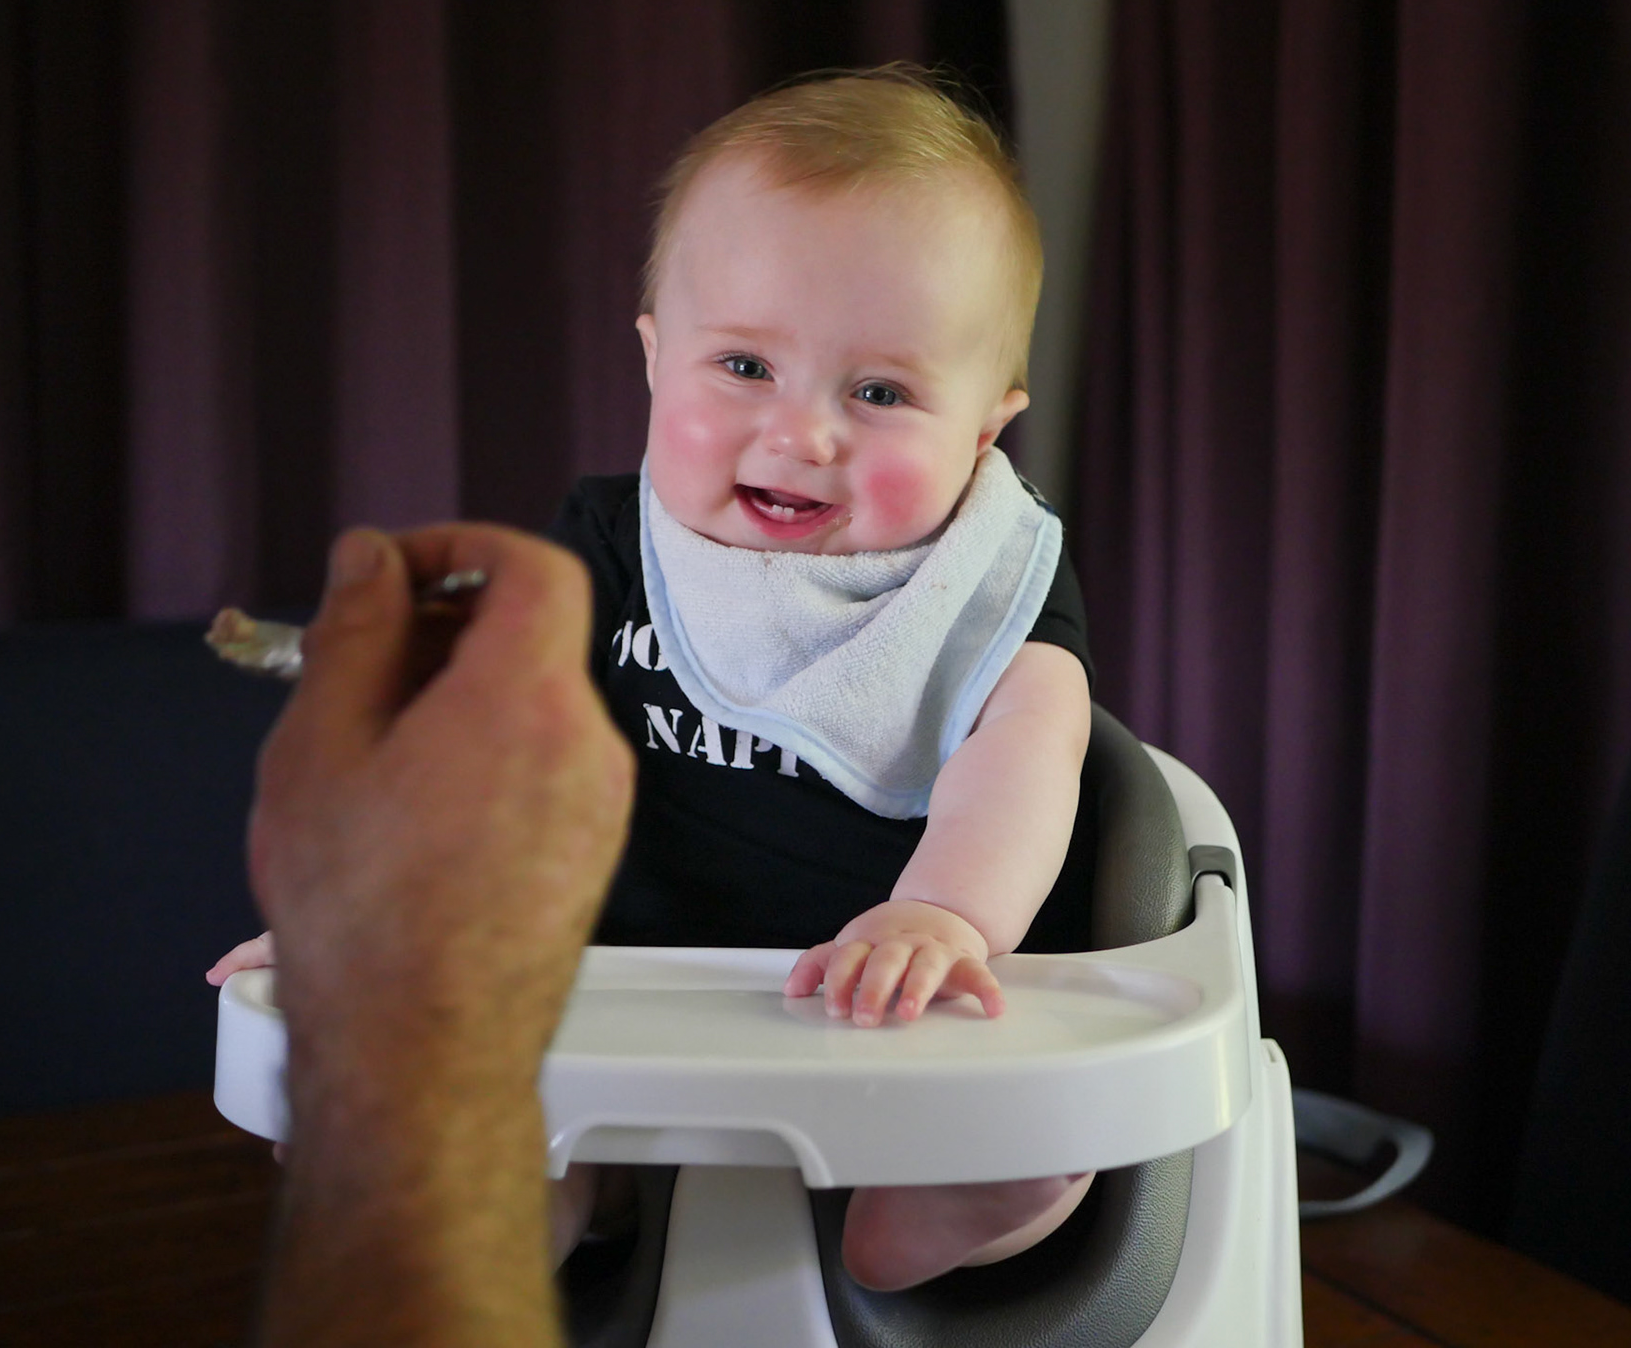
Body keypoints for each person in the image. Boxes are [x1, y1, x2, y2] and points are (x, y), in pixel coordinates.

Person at [215, 65, 1094, 1292]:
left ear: (985, 430)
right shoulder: (613, 549)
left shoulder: (982, 585)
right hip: (616, 1005)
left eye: (881, 392)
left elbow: (1033, 753)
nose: (801, 434)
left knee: (1043, 1126)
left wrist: (946, 916)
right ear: (654, 357)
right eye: (745, 367)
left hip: (878, 1016)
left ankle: (946, 1203)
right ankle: (557, 1196)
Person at [245, 523, 634, 1347]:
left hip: (823, 1025)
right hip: (586, 1028)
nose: (807, 453)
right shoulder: (613, 544)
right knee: (556, 1170)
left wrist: (379, 1101)